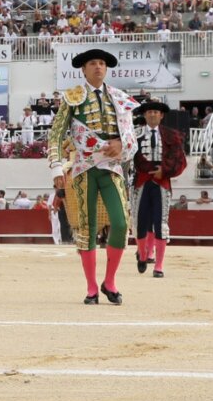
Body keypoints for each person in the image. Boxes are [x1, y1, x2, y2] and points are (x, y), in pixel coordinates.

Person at [48, 48, 140, 305]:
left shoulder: (119, 98)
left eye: (102, 63)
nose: (98, 67)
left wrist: (122, 146)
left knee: (121, 224)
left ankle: (109, 282)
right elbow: (56, 134)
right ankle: (91, 288)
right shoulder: (72, 97)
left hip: (111, 168)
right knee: (86, 228)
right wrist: (57, 168)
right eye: (93, 63)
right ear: (84, 69)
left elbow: (130, 138)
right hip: (83, 168)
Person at [130, 99, 187, 279]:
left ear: (161, 115)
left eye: (156, 112)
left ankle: (159, 266)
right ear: (145, 115)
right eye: (149, 112)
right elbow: (129, 156)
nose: (152, 114)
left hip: (162, 182)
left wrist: (165, 171)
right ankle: (143, 253)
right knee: (139, 222)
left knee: (160, 223)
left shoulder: (172, 135)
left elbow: (180, 159)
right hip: (141, 181)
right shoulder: (135, 134)